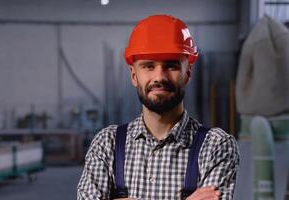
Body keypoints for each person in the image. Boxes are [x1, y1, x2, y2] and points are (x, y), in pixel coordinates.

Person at [77, 14, 240, 200]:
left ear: (187, 73)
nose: (159, 77)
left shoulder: (217, 146)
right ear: (133, 75)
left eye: (171, 66)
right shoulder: (106, 144)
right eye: (148, 66)